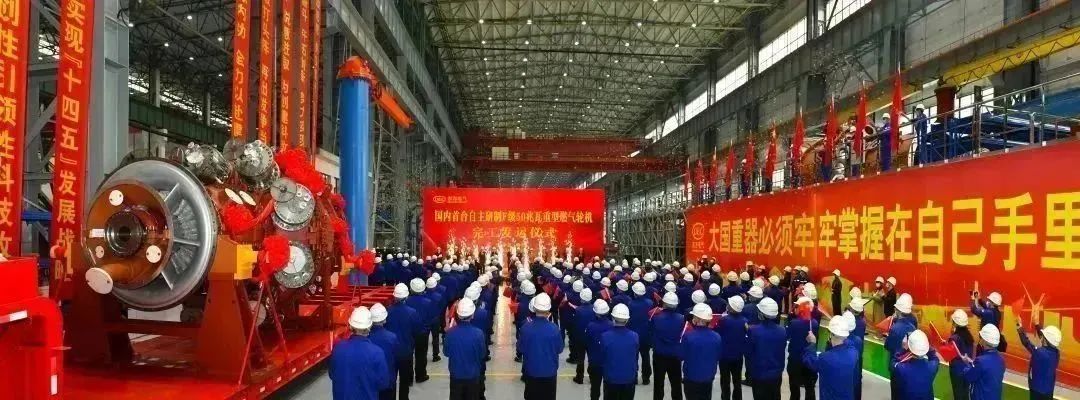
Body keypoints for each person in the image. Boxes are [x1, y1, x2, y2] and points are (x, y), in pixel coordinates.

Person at [329, 306, 391, 400]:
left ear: (351, 326)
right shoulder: (377, 352)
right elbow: (383, 383)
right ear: (369, 327)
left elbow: (332, 374)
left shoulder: (338, 348)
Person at [802, 316, 859, 400]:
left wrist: (812, 343)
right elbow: (847, 344)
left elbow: (809, 360)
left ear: (831, 334)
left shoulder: (825, 358)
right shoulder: (853, 352)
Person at [519, 293, 563, 400]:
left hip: (531, 372)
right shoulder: (554, 329)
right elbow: (559, 349)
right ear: (548, 309)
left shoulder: (526, 328)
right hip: (550, 373)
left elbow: (520, 348)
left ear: (534, 308)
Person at [385, 284, 422, 400]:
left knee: (391, 380)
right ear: (406, 296)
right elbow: (417, 331)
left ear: (394, 296)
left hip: (391, 352)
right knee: (405, 381)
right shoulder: (412, 313)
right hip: (406, 351)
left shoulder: (387, 311)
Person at [444, 299, 486, 400]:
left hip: (456, 375)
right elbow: (482, 354)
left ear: (458, 315)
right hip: (473, 375)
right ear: (472, 315)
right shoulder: (479, 334)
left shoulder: (450, 333)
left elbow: (446, 352)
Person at [682, 303, 724, 400]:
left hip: (691, 377)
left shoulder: (688, 336)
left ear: (697, 319)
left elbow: (681, 355)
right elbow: (718, 356)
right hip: (708, 377)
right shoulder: (717, 337)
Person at [747, 298, 785, 400]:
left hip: (759, 374)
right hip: (776, 374)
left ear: (762, 314)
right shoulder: (782, 331)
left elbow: (749, 353)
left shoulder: (753, 331)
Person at [601, 304, 640, 400]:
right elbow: (635, 356)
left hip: (611, 378)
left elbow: (602, 357)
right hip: (629, 378)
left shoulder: (605, 336)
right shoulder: (635, 336)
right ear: (627, 319)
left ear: (613, 318)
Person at [1016, 319, 1062, 400]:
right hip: (1049, 389)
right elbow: (1045, 340)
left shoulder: (1039, 353)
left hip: (1036, 390)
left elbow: (1026, 342)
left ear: (1045, 339)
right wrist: (1037, 324)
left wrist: (1019, 327)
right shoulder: (1056, 353)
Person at [651, 292, 685, 400]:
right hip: (675, 355)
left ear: (664, 303)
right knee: (676, 384)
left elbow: (651, 332)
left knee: (658, 384)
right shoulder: (681, 318)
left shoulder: (656, 317)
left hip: (659, 354)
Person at [960, 324, 1005, 400]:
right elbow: (986, 370)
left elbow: (969, 376)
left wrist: (967, 365)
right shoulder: (1001, 360)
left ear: (984, 340)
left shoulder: (981, 361)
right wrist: (972, 363)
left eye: (981, 337)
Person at [787, 297, 819, 400]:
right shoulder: (814, 323)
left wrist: (791, 315)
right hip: (809, 360)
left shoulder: (794, 323)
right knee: (810, 388)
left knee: (794, 389)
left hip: (795, 360)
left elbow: (787, 335)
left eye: (796, 306)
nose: (795, 308)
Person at [892, 329, 939, 400]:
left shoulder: (900, 368)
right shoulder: (933, 366)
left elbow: (894, 361)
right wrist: (924, 346)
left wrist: (904, 348)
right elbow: (934, 357)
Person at [716, 296, 747, 400]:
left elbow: (717, 332)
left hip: (724, 356)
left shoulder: (723, 320)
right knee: (737, 381)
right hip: (738, 356)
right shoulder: (744, 321)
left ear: (731, 307)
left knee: (725, 381)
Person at [369, 304, 402, 400]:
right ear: (384, 320)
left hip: (370, 383)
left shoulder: (367, 338)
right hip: (388, 380)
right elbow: (397, 358)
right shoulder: (392, 337)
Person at [586, 299, 614, 400]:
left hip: (595, 361)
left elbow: (587, 343)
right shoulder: (612, 325)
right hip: (608, 362)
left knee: (595, 388)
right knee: (608, 389)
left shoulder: (591, 326)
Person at [629, 282, 655, 384]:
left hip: (633, 335)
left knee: (633, 357)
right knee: (645, 357)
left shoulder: (630, 304)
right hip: (646, 335)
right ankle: (646, 378)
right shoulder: (650, 303)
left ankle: (634, 377)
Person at [948, 310, 975, 400]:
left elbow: (950, 356)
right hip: (967, 370)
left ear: (955, 323)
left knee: (958, 394)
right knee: (965, 393)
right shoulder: (969, 336)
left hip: (957, 372)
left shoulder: (954, 338)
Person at [574, 288, 597, 384]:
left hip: (580, 337)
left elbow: (575, 324)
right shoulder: (594, 309)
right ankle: (592, 377)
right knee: (591, 358)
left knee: (580, 358)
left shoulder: (578, 310)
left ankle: (579, 377)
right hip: (591, 337)